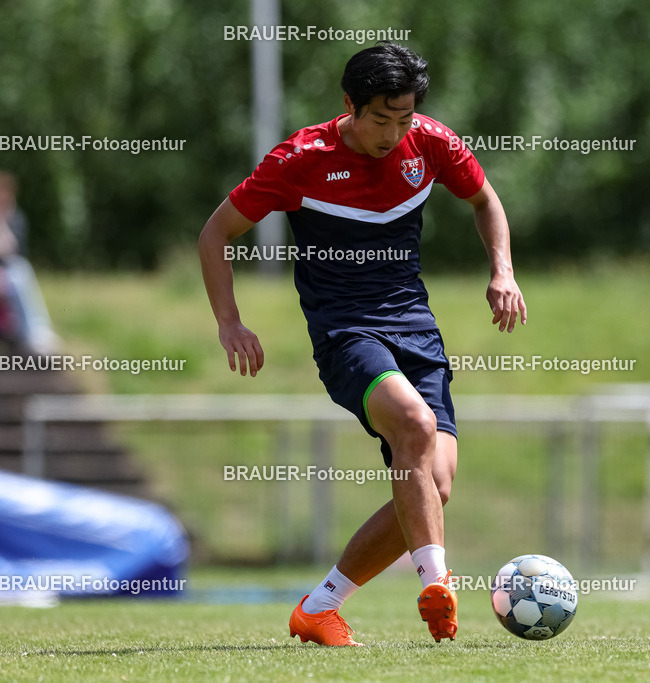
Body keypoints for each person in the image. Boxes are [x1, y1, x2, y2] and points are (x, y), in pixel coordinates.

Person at [198, 43, 526, 645]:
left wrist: (502, 271)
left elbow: (484, 199)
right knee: (415, 426)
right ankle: (437, 582)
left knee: (438, 484)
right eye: (380, 118)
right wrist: (229, 322)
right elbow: (216, 232)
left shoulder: (430, 143)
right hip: (346, 331)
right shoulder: (301, 159)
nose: (393, 132)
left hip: (416, 327)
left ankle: (320, 606)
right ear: (350, 104)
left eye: (403, 118)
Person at [0, 168, 58, 359]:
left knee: (21, 270)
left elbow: (11, 256)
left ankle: (35, 333)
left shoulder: (15, 221)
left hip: (2, 284)